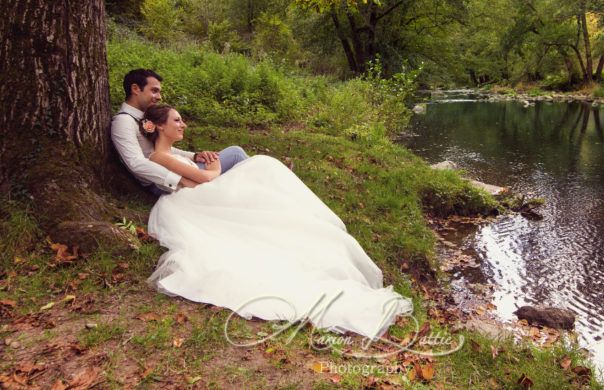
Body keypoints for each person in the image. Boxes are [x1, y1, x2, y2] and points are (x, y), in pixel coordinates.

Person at [140, 104, 413, 339]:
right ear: (160, 127)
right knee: (261, 165)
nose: (183, 124)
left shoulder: (173, 154)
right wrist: (212, 168)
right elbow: (206, 180)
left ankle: (276, 192)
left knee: (261, 167)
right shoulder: (159, 156)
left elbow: (192, 179)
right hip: (194, 199)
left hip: (197, 191)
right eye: (177, 120)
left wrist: (201, 166)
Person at [110, 68, 248, 196]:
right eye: (154, 91)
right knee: (235, 154)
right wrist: (180, 180)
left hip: (172, 169)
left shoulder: (143, 117)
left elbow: (160, 148)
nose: (159, 97)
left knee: (233, 157)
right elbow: (136, 163)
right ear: (135, 89)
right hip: (162, 181)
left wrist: (194, 156)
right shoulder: (124, 122)